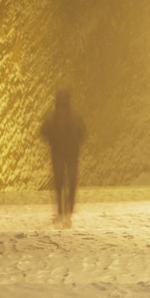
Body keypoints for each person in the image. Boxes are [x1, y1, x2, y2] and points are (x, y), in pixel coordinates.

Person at [41, 89, 86, 223]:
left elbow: (43, 131)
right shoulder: (75, 116)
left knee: (59, 181)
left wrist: (52, 140)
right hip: (72, 153)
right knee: (72, 180)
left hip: (57, 153)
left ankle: (61, 208)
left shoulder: (51, 117)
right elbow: (82, 132)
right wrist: (76, 142)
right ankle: (69, 206)